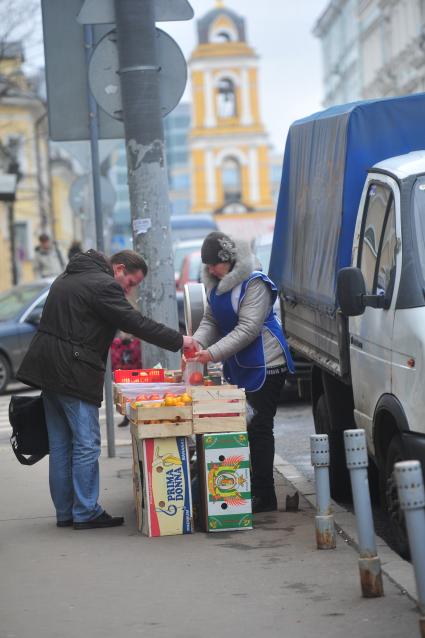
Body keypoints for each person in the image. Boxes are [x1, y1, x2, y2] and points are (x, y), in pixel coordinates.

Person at [17, 249, 196, 530]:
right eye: (131, 283)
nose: (129, 289)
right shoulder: (104, 285)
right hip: (73, 371)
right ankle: (86, 512)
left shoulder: (67, 277)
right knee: (87, 443)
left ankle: (66, 512)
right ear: (119, 268)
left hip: (47, 369)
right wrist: (179, 340)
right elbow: (135, 323)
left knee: (61, 445)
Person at [191, 232, 294, 514]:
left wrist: (211, 353)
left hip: (266, 364)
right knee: (243, 428)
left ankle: (265, 495)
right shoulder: (217, 285)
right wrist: (197, 342)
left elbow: (248, 329)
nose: (211, 270)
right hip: (239, 364)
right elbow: (211, 319)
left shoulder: (255, 283)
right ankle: (247, 487)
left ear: (230, 260)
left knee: (259, 428)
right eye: (208, 265)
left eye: (215, 264)